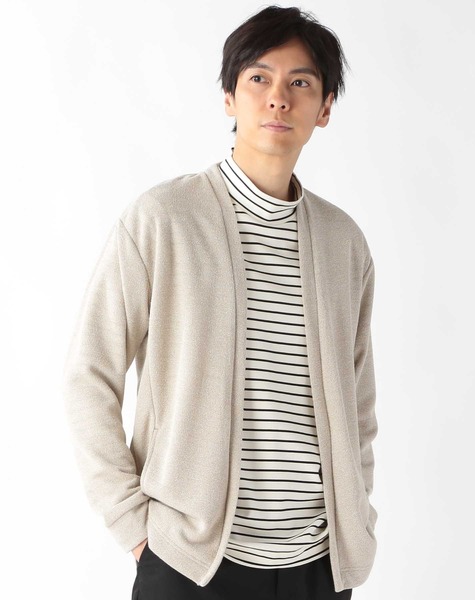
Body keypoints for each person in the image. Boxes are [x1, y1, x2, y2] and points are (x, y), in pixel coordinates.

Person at [62, 5, 379, 599]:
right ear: (230, 97)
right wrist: (133, 525)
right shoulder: (163, 219)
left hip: (319, 566)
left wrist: (356, 519)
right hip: (191, 563)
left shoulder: (344, 243)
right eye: (259, 78)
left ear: (325, 107)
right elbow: (89, 374)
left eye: (301, 82)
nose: (278, 98)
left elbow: (359, 401)